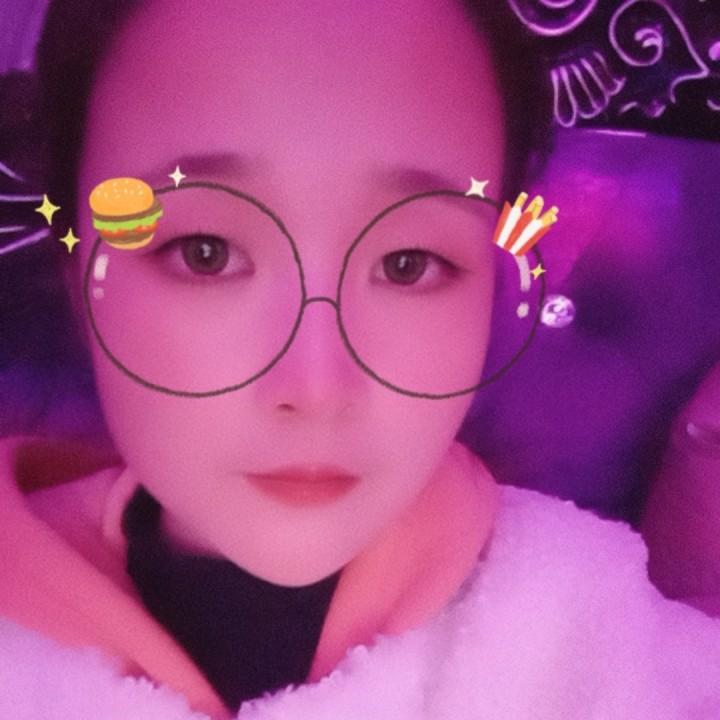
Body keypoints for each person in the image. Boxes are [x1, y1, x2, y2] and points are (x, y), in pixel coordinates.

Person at [1, 1, 720, 718]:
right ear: (77, 274)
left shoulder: (593, 638)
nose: (319, 387)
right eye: (206, 254)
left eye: (409, 264)